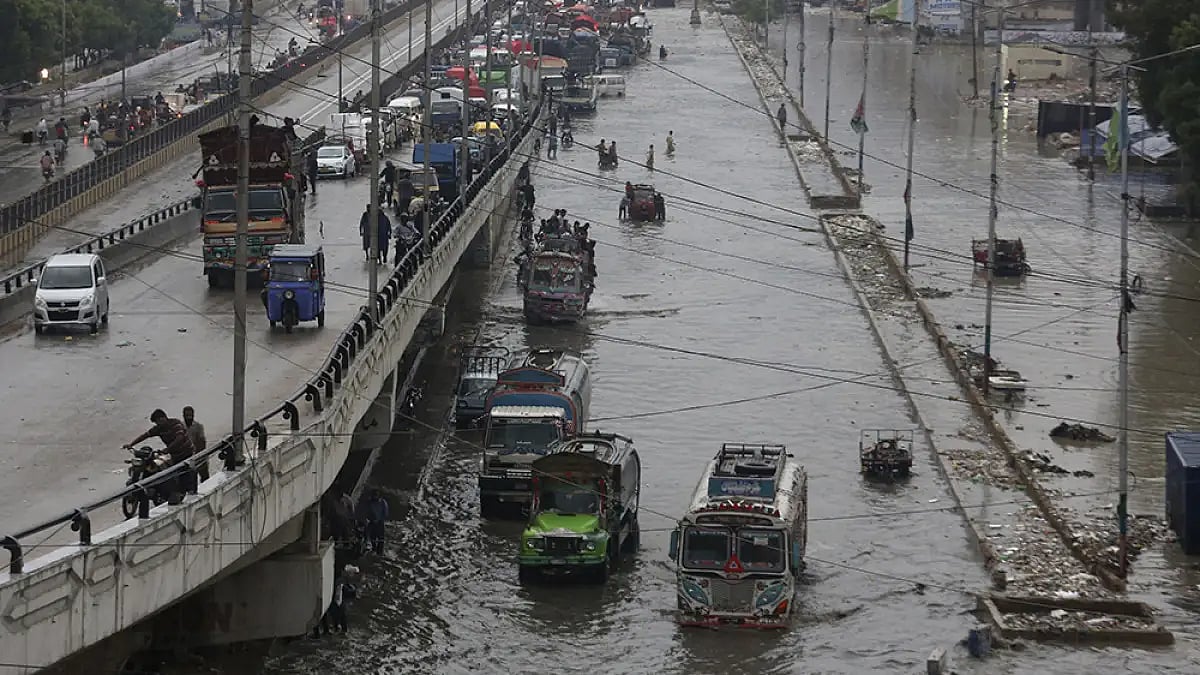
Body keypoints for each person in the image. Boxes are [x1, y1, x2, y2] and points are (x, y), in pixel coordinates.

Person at [124, 409, 196, 502]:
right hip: (174, 454)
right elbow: (145, 435)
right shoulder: (159, 428)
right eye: (156, 423)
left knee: (185, 472)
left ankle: (188, 491)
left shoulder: (176, 424)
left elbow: (179, 438)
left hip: (187, 452)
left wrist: (167, 449)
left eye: (158, 421)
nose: (158, 424)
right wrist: (131, 444)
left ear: (163, 418)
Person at [183, 406, 209, 482]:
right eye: (187, 415)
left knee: (205, 477)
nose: (189, 417)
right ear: (183, 416)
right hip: (187, 456)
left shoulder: (198, 426)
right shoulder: (181, 427)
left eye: (190, 415)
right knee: (190, 479)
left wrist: (198, 454)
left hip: (199, 455)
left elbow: (202, 442)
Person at [364, 490, 389, 555]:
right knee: (373, 537)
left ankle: (380, 552)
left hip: (380, 522)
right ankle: (374, 549)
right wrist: (369, 518)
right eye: (374, 496)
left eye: (376, 496)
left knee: (381, 538)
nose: (375, 497)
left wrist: (380, 519)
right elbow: (366, 511)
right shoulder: (369, 502)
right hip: (372, 521)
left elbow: (385, 513)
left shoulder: (383, 502)